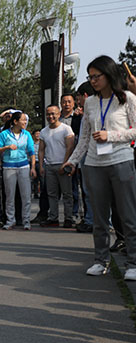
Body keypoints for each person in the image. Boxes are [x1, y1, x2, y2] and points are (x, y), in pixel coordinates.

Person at [62, 55, 136, 279]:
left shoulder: (128, 99)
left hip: (121, 160)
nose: (93, 81)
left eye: (97, 76)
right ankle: (100, 260)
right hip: (94, 164)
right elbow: (84, 138)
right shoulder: (91, 103)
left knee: (128, 216)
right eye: (90, 77)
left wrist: (111, 135)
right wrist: (72, 161)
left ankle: (132, 263)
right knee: (99, 218)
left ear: (109, 74)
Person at [0, 112, 36, 230]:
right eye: (23, 120)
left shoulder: (27, 134)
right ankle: (10, 220)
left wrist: (33, 167)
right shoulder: (4, 134)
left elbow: (31, 152)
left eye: (25, 120)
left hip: (23, 166)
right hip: (9, 167)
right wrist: (7, 147)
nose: (25, 122)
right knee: (10, 195)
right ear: (15, 121)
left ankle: (26, 220)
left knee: (26, 195)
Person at [38, 105, 75, 228]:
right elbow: (41, 149)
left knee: (67, 194)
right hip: (49, 166)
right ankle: (53, 218)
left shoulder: (66, 129)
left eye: (53, 114)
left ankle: (69, 218)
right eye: (48, 114)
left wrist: (65, 163)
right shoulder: (44, 131)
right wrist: (42, 166)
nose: (51, 116)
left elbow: (70, 147)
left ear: (59, 114)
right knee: (51, 194)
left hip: (63, 165)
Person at [74, 82, 96, 234]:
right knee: (87, 193)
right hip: (84, 157)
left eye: (78, 98)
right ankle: (90, 220)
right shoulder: (85, 114)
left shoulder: (95, 112)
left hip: (93, 157)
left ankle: (94, 221)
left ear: (85, 96)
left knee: (92, 193)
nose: (78, 102)